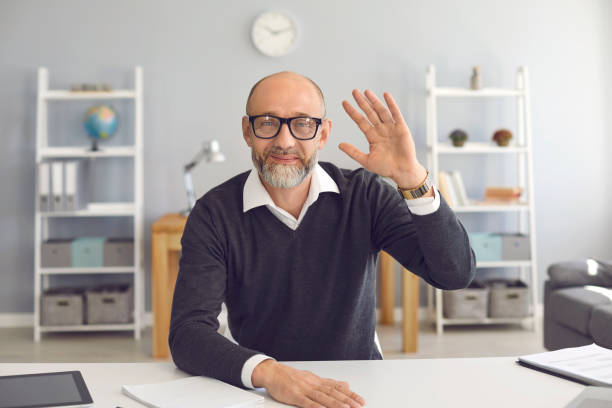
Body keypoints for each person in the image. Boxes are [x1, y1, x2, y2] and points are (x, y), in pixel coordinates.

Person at [169, 71, 476, 408]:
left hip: (357, 386)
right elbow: (188, 333)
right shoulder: (215, 213)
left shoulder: (365, 196)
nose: (284, 141)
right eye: (268, 122)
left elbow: (454, 273)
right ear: (247, 131)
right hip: (261, 390)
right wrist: (271, 374)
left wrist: (411, 177)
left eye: (302, 123)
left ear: (323, 133)